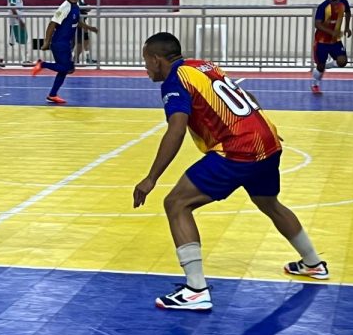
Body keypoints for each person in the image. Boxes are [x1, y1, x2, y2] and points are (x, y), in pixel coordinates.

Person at [133, 32, 329, 311]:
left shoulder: (175, 80)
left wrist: (151, 178)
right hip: (267, 141)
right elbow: (246, 95)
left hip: (237, 150)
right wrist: (260, 127)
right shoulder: (204, 65)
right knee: (269, 203)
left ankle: (195, 291)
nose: (145, 68)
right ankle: (313, 264)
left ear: (156, 59)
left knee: (176, 203)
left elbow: (176, 129)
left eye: (145, 62)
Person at [31, 0, 98, 104]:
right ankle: (42, 64)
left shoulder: (75, 6)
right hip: (59, 43)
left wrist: (90, 28)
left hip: (66, 43)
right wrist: (46, 42)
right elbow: (52, 24)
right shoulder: (64, 7)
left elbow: (76, 22)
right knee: (66, 68)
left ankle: (52, 95)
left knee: (69, 69)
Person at [311, 0, 352, 94]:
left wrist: (347, 27)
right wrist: (331, 31)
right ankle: (315, 84)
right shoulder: (323, 6)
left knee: (342, 62)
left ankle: (327, 65)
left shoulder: (344, 3)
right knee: (320, 67)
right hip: (321, 41)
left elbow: (348, 13)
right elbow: (317, 24)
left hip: (335, 41)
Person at [7, 0, 31, 65]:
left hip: (17, 21)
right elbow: (13, 9)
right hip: (16, 21)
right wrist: (20, 20)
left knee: (12, 41)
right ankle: (25, 60)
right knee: (22, 39)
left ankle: (0, 58)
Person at [73, 0, 96, 65]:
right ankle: (75, 58)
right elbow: (78, 8)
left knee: (85, 40)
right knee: (78, 42)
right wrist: (86, 8)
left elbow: (83, 7)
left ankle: (86, 57)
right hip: (77, 23)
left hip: (82, 22)